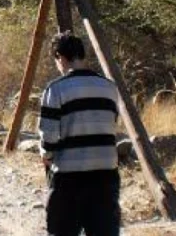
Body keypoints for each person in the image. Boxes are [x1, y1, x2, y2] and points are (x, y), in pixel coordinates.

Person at [39, 32, 121, 236]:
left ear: (60, 57)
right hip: (106, 175)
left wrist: (47, 157)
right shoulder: (109, 87)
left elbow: (49, 138)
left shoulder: (55, 89)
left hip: (69, 178)